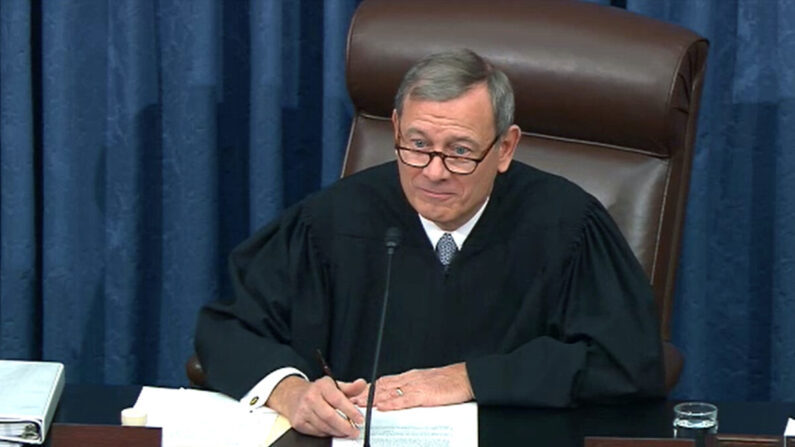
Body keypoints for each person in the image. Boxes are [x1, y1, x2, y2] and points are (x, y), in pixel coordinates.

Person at [195, 49, 665, 439]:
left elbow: (629, 362)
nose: (434, 172)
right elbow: (228, 330)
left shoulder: (566, 223)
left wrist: (468, 379)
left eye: (460, 151)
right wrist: (292, 392)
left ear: (505, 148)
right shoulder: (332, 220)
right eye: (417, 145)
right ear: (396, 128)